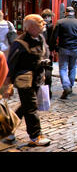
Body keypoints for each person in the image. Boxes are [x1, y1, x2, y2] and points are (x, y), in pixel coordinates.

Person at [2, 15, 51, 146]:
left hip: (37, 79)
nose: (44, 23)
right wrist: (8, 84)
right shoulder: (19, 43)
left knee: (25, 106)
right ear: (30, 27)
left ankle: (9, 130)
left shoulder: (40, 38)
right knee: (31, 107)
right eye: (40, 22)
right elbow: (11, 64)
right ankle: (35, 136)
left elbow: (44, 53)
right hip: (24, 81)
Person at [49, 6, 77, 99]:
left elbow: (54, 37)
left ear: (66, 13)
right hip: (76, 49)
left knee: (63, 69)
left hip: (63, 48)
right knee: (73, 67)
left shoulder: (60, 22)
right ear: (73, 13)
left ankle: (66, 86)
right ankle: (70, 86)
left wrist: (52, 48)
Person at [40, 9, 54, 99]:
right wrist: (52, 50)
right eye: (50, 17)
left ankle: (40, 89)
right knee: (48, 70)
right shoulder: (50, 26)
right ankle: (48, 90)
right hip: (47, 51)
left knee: (40, 71)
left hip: (39, 51)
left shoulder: (38, 25)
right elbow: (52, 39)